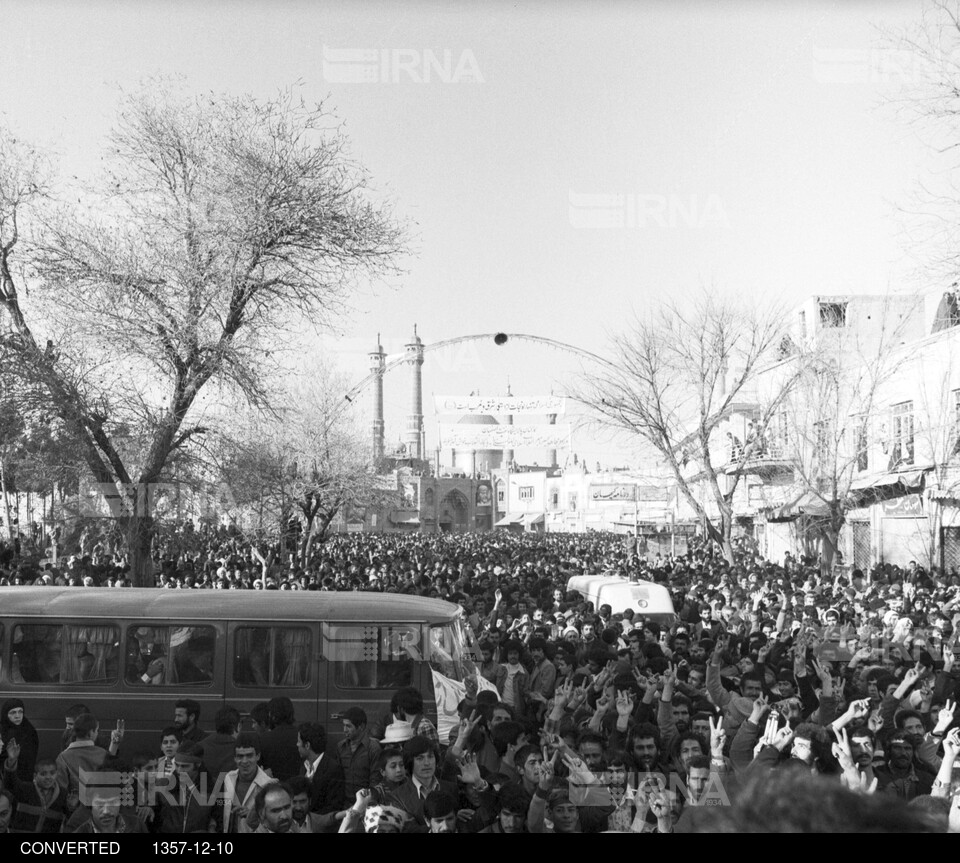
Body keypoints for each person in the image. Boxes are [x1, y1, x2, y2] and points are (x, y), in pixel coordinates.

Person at [1, 745, 69, 834]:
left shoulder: (63, 795)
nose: (48, 777)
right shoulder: (25, 789)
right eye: (43, 774)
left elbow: (70, 818)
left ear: (57, 774)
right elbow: (10, 784)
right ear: (35, 776)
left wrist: (72, 807)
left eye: (52, 773)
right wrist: (12, 760)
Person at [218, 732, 273, 834]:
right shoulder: (228, 778)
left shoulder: (268, 785)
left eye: (249, 755)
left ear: (258, 756)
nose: (244, 761)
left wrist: (254, 815)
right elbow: (221, 808)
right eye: (240, 756)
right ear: (234, 758)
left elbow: (274, 822)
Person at [297, 721, 345, 831]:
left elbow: (334, 806)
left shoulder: (333, 769)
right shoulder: (304, 766)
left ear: (307, 745)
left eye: (298, 741)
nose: (297, 745)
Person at [336, 706, 382, 800]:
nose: (344, 730)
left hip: (366, 802)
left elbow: (375, 781)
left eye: (348, 726)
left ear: (361, 727)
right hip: (344, 803)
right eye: (344, 725)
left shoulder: (373, 748)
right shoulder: (341, 747)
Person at [259, 697, 300, 781]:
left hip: (273, 787)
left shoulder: (264, 739)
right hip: (297, 787)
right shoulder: (301, 737)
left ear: (272, 715)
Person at [1, 698, 39, 782]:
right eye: (13, 712)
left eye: (20, 711)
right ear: (6, 714)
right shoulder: (2, 731)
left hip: (25, 779)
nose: (17, 715)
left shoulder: (29, 730)